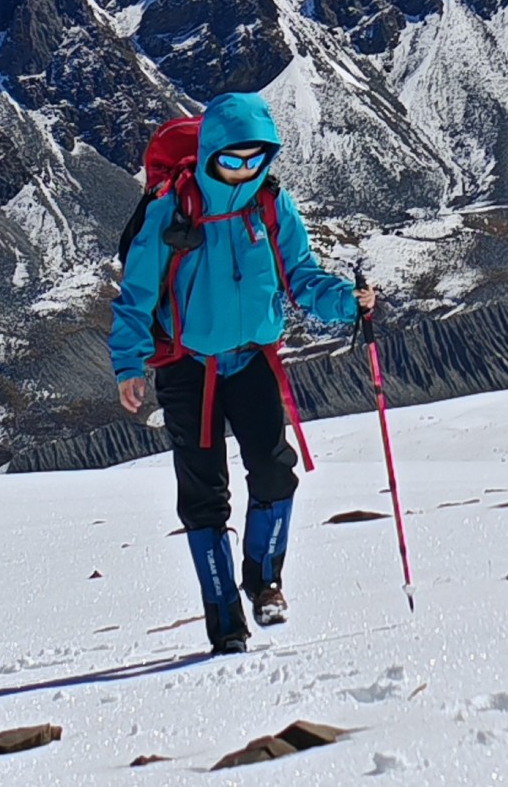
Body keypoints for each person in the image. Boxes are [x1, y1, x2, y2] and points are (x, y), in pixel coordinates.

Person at [110, 91, 375, 653]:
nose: (245, 170)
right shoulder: (172, 211)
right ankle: (225, 621)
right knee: (204, 495)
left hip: (253, 359)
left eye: (257, 159)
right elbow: (136, 294)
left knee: (275, 473)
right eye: (233, 159)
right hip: (188, 369)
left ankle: (264, 581)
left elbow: (301, 275)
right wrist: (128, 363)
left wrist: (347, 303)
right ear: (210, 152)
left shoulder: (272, 205)